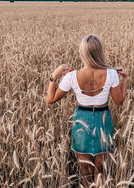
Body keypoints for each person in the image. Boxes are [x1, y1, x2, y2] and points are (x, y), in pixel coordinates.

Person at [46, 34, 128, 187]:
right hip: (103, 121)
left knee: (85, 171)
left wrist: (54, 76)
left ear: (82, 53)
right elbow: (119, 101)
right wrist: (125, 78)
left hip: (81, 122)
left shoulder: (71, 76)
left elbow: (50, 100)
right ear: (100, 52)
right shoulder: (111, 74)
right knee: (100, 170)